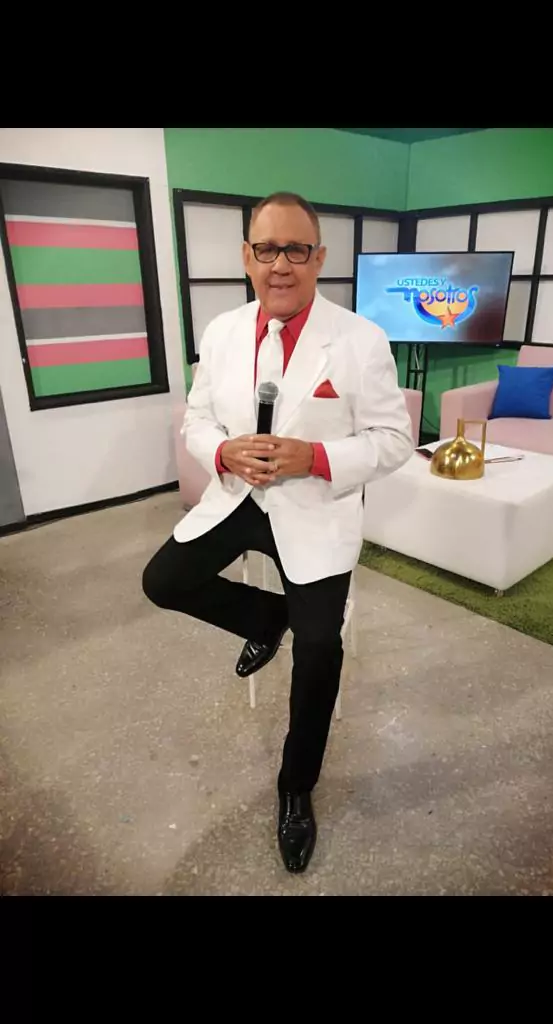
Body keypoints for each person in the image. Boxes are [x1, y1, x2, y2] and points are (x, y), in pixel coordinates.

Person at [143, 192, 414, 873]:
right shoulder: (222, 331)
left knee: (320, 649)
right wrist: (222, 452)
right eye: (267, 249)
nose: (281, 264)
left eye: (296, 249)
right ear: (247, 257)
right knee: (163, 580)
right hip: (241, 496)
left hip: (317, 506)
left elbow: (394, 441)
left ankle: (296, 787)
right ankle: (267, 617)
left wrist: (315, 456)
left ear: (318, 258)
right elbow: (198, 419)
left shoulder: (362, 340)